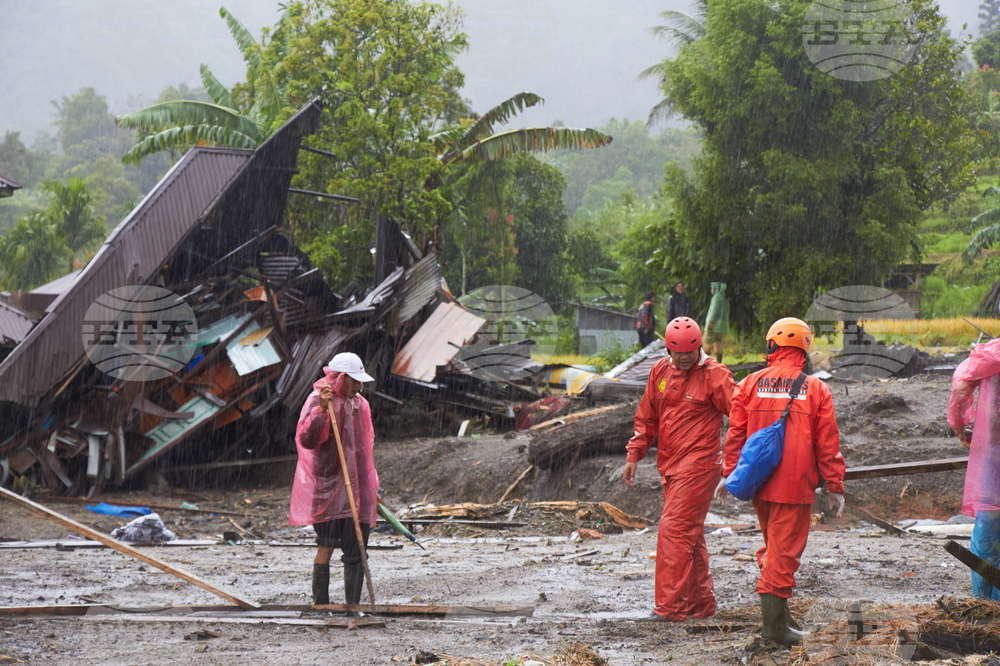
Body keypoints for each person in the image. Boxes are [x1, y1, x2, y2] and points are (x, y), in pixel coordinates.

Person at [718, 317, 845, 646]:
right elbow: (827, 445)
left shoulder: (748, 384)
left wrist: (730, 475)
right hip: (795, 486)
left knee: (775, 549)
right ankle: (774, 628)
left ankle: (782, 618)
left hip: (760, 485)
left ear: (771, 345)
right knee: (783, 554)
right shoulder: (816, 389)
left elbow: (735, 437)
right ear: (804, 349)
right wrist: (834, 488)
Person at [623, 316, 736, 621]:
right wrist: (635, 453)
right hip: (671, 466)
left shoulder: (715, 375)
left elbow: (741, 417)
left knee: (673, 531)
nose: (685, 357)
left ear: (699, 346)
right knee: (691, 535)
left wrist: (734, 465)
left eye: (691, 351)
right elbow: (647, 417)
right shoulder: (659, 370)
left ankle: (670, 608)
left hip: (700, 466)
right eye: (678, 352)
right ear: (668, 350)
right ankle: (700, 605)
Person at [289, 352, 378, 606]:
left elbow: (365, 449)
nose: (358, 385)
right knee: (326, 545)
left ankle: (353, 607)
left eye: (360, 381)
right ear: (338, 378)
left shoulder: (361, 405)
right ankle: (322, 605)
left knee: (357, 550)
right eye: (353, 380)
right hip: (327, 489)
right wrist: (322, 412)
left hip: (357, 490)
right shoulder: (318, 400)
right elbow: (307, 439)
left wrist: (372, 483)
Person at [947, 338, 1000, 601]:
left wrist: (959, 424)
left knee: (990, 529)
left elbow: (960, 384)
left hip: (994, 453)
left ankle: (984, 605)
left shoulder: (992, 352)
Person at [704, 282, 730, 364]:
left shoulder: (716, 298)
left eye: (712, 288)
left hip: (714, 326)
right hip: (722, 327)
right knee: (719, 344)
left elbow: (714, 311)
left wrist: (710, 322)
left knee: (707, 342)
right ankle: (719, 363)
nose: (711, 290)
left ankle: (707, 362)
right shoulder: (724, 298)